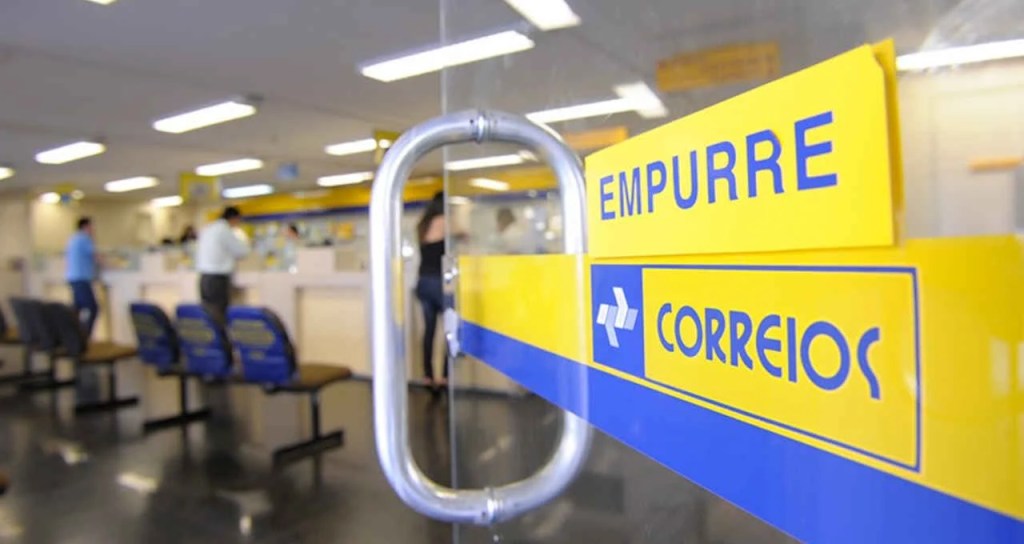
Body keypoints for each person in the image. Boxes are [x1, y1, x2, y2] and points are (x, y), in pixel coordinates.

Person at [415, 192, 448, 390]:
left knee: (429, 330)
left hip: (423, 281)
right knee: (449, 329)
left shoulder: (422, 224)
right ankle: (444, 376)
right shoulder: (445, 221)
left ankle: (427, 375)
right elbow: (464, 235)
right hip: (439, 282)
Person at [195, 207, 250, 324]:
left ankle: (213, 336)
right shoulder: (225, 230)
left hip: (204, 278)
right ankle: (221, 336)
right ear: (234, 218)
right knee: (219, 315)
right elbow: (241, 251)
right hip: (218, 279)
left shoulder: (208, 228)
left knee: (208, 315)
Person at [66, 217, 100, 339]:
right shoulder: (85, 239)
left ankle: (73, 335)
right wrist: (111, 265)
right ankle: (84, 336)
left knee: (77, 308)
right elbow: (96, 256)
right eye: (91, 226)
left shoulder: (73, 239)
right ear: (86, 226)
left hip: (73, 278)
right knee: (93, 308)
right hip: (81, 279)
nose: (93, 229)